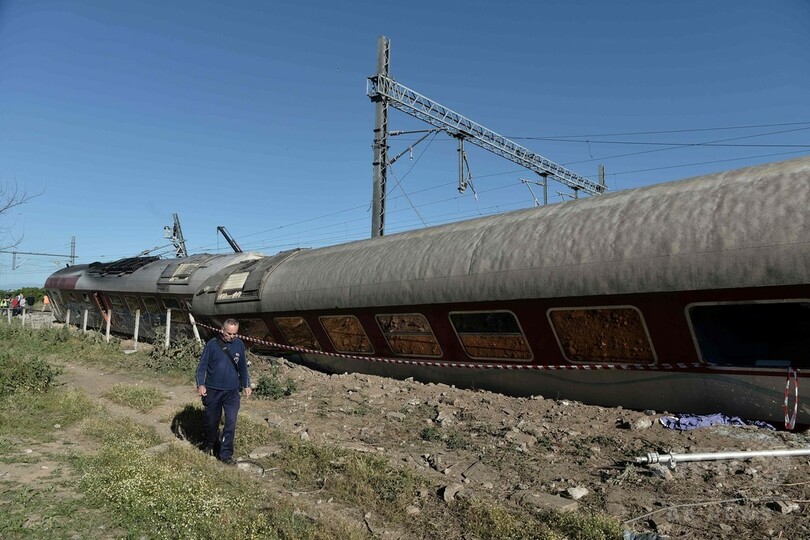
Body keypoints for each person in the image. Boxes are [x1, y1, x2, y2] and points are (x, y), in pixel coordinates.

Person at [195, 318, 252, 464]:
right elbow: (202, 366)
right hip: (213, 390)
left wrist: (246, 384)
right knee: (212, 421)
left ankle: (225, 455)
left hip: (232, 392)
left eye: (235, 334)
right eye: (229, 334)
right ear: (222, 330)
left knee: (231, 422)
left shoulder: (239, 345)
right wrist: (201, 384)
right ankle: (208, 444)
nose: (232, 337)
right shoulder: (212, 345)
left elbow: (243, 368)